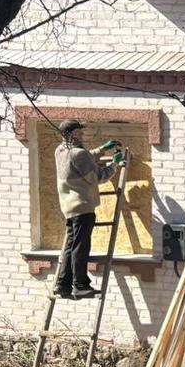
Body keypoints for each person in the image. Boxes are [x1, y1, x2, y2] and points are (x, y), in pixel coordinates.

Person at [54, 120, 117, 300]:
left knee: (71, 246)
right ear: (72, 134)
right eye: (79, 132)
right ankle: (80, 285)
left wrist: (102, 150)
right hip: (83, 207)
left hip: (69, 206)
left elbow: (83, 158)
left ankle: (63, 284)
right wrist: (114, 164)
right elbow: (99, 176)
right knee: (81, 247)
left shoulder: (60, 150)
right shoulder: (79, 154)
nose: (82, 135)